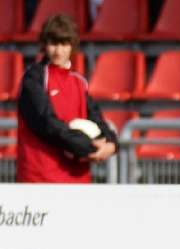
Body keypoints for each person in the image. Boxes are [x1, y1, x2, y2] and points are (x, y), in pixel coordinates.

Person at [16, 13, 117, 183]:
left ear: (72, 46)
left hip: (77, 179)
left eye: (64, 44)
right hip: (41, 178)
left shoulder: (79, 82)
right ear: (44, 45)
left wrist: (112, 144)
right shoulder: (33, 79)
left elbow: (97, 118)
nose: (58, 50)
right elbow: (46, 122)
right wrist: (89, 146)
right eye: (53, 44)